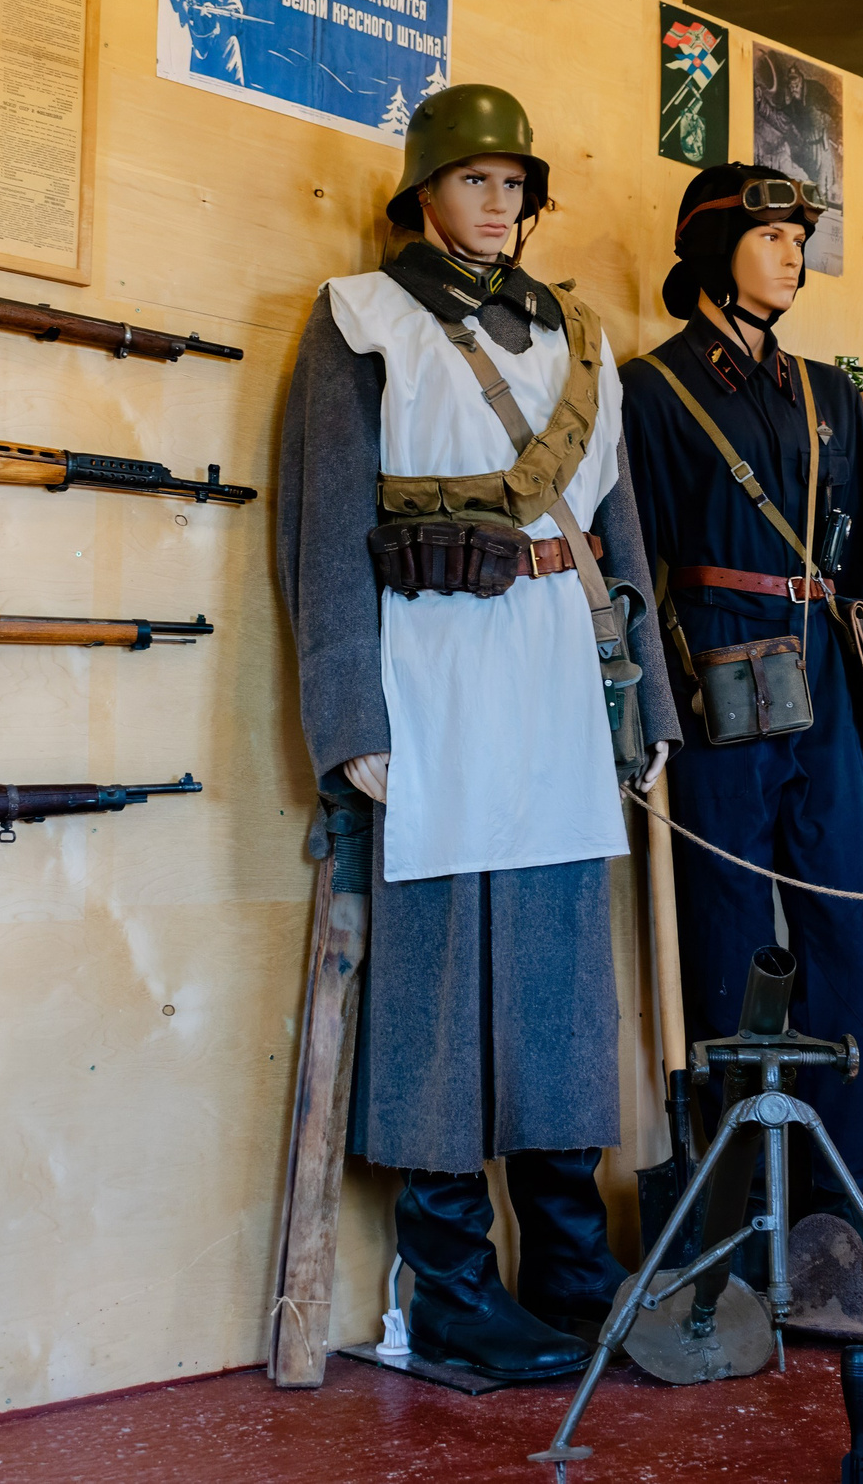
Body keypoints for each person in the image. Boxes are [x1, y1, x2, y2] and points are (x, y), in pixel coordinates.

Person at [274, 84, 679, 1381]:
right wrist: (349, 713)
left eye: (515, 184)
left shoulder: (579, 336)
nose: (499, 203)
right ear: (425, 193)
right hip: (432, 670)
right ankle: (450, 1288)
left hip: (558, 672)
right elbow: (322, 530)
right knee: (439, 982)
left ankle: (570, 1264)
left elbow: (618, 537)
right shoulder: (361, 319)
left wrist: (645, 705)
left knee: (561, 978)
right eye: (475, 180)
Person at [621, 161, 863, 1228]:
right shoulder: (652, 390)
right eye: (772, 237)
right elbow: (635, 564)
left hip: (826, 676)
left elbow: (862, 552)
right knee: (730, 940)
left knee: (849, 934)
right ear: (716, 247)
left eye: (801, 238)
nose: (794, 256)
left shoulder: (829, 394)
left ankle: (846, 1197)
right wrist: (648, 714)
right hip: (715, 675)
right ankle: (741, 1202)